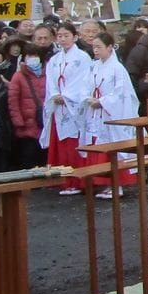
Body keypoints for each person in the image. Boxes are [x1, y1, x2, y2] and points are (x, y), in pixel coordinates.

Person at [79, 32, 136, 198]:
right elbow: (84, 85)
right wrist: (88, 98)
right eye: (94, 47)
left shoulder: (118, 68)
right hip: (97, 112)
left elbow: (121, 93)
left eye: (99, 47)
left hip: (111, 113)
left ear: (110, 48)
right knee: (98, 145)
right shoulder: (93, 66)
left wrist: (103, 102)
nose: (95, 50)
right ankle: (105, 184)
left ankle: (117, 185)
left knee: (113, 146)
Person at [41, 21, 93, 195]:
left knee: (74, 142)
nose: (63, 39)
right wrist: (55, 94)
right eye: (60, 36)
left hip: (74, 105)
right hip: (59, 105)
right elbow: (50, 81)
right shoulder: (54, 60)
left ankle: (76, 181)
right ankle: (63, 180)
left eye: (66, 36)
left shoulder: (82, 58)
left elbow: (82, 81)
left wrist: (67, 96)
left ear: (75, 37)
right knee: (60, 143)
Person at [7, 43, 49, 169]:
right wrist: (18, 122)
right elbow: (12, 101)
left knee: (45, 155)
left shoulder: (48, 73)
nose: (32, 58)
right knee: (29, 156)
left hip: (45, 122)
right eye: (29, 55)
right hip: (26, 124)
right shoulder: (18, 76)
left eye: (35, 55)